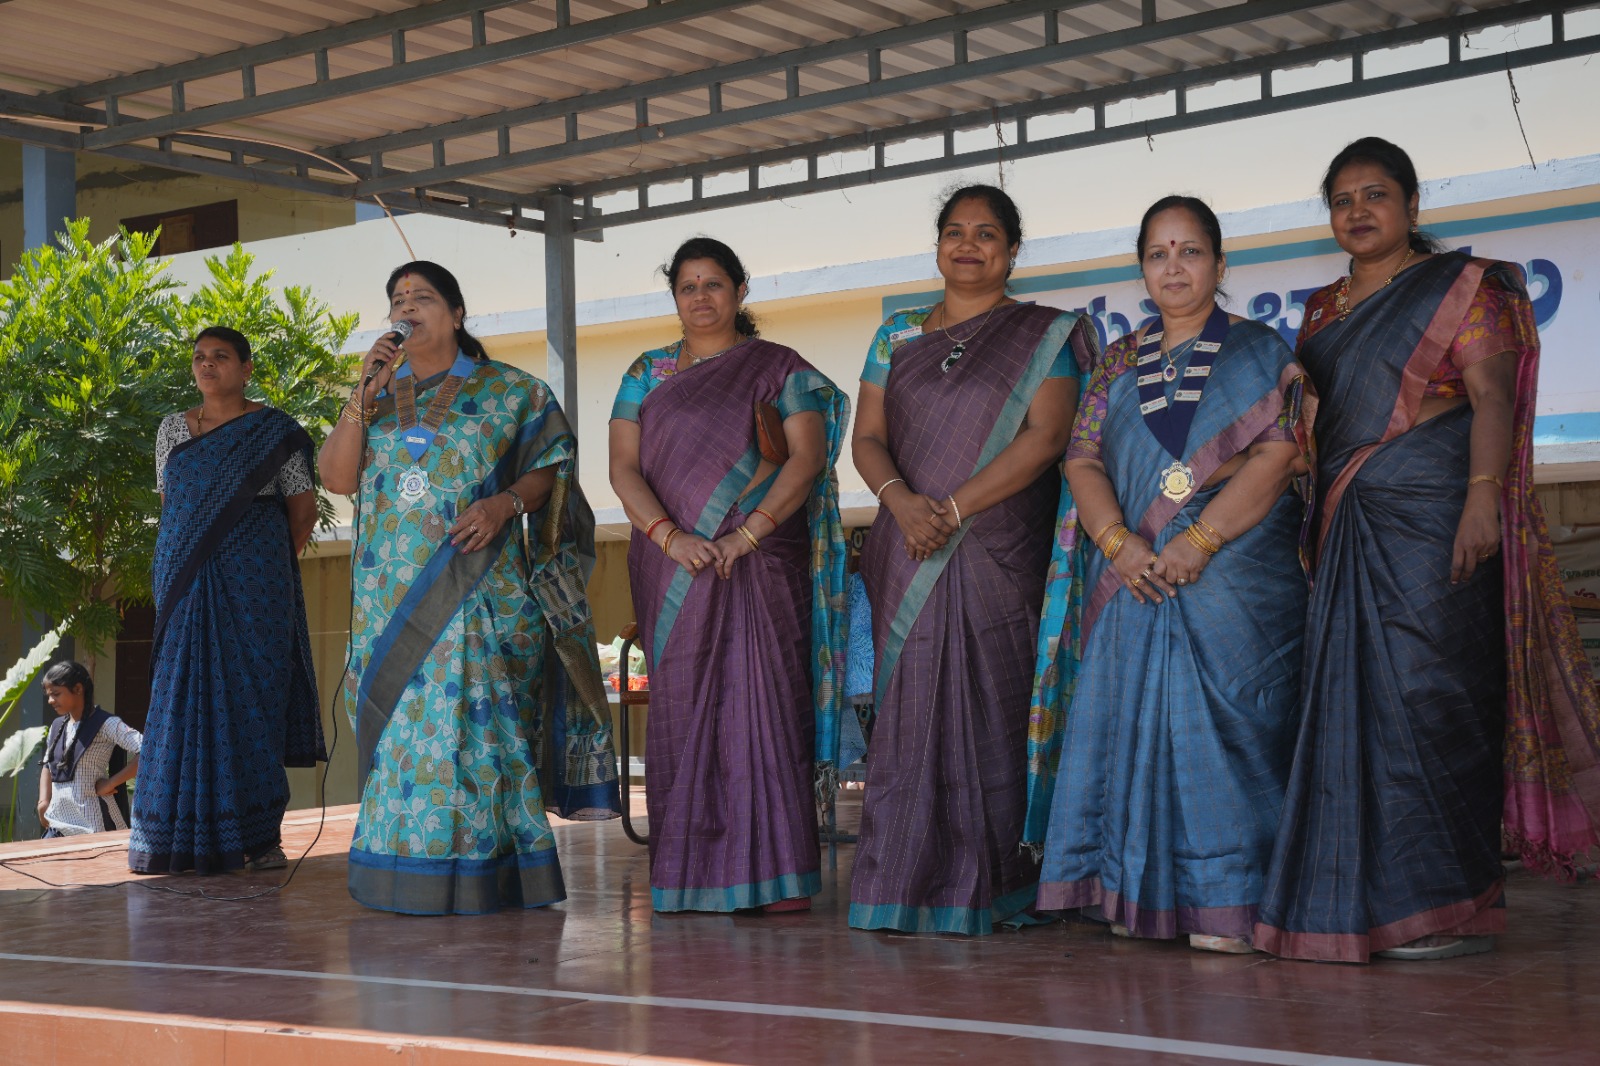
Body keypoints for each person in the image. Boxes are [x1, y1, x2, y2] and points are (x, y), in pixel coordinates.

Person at [1255, 137, 1600, 963]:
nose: (1358, 211)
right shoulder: (1321, 311)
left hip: (1439, 513)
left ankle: (1452, 903)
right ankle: (1375, 900)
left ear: (1411, 205)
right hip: (1347, 526)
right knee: (1353, 709)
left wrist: (1482, 497)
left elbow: (1491, 396)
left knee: (1434, 696)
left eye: (1375, 194)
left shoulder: (1465, 287)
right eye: (1342, 199)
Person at [1034, 196, 1312, 953]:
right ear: (1142, 270)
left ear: (1220, 264)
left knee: (1236, 730)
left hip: (1233, 577)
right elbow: (1082, 460)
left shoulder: (1259, 351)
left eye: (1190, 251)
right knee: (1133, 726)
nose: (1174, 267)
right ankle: (1138, 896)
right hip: (1134, 573)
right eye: (1158, 254)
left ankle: (1231, 904)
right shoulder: (1117, 363)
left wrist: (1202, 539)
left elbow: (1281, 453)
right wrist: (1118, 543)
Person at [320, 261, 620, 916]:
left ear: (457, 314)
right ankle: (398, 874)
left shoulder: (513, 392)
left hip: (479, 593)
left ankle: (494, 874)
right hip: (388, 602)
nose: (407, 307)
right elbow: (337, 479)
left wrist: (504, 504)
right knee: (405, 741)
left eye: (422, 297)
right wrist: (359, 395)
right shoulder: (375, 397)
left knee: (477, 732)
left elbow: (551, 469)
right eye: (397, 298)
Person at [849, 184, 1097, 935]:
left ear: (1012, 250)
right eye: (954, 232)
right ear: (937, 247)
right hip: (906, 542)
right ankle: (898, 881)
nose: (968, 245)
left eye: (986, 234)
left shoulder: (1046, 334)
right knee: (906, 712)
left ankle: (994, 884)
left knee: (996, 707)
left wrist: (953, 509)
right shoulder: (895, 335)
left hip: (997, 544)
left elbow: (1047, 436)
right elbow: (867, 437)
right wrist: (901, 502)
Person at [609, 236, 849, 913]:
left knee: (766, 702)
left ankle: (776, 879)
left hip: (762, 558)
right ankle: (689, 875)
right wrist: (672, 537)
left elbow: (806, 458)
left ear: (740, 291)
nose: (701, 297)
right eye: (687, 286)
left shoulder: (780, 368)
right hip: (672, 565)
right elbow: (622, 468)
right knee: (684, 707)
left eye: (713, 284)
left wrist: (747, 534)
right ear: (674, 296)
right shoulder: (647, 372)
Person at [130, 327, 324, 874]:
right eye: (199, 358)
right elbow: (175, 508)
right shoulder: (173, 429)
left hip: (257, 585)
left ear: (246, 368)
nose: (207, 365)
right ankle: (174, 837)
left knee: (253, 701)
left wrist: (260, 566)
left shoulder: (276, 431)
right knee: (178, 699)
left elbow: (303, 512)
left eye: (220, 356)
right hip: (185, 583)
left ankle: (260, 840)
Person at [36, 661, 142, 838]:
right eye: (49, 695)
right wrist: (43, 801)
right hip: (57, 824)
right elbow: (48, 765)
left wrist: (111, 783)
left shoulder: (106, 724)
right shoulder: (56, 726)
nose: (50, 700)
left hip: (94, 825)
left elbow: (148, 752)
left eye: (56, 694)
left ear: (78, 689)